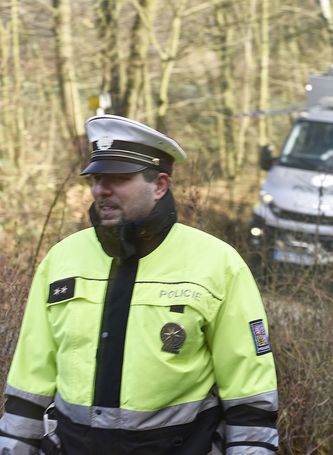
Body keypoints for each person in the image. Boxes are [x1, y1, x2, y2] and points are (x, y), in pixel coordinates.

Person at [0, 115, 279, 454]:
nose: (102, 190)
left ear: (160, 185)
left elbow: (250, 397)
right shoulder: (62, 259)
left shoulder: (218, 264)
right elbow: (31, 378)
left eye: (119, 178)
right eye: (97, 178)